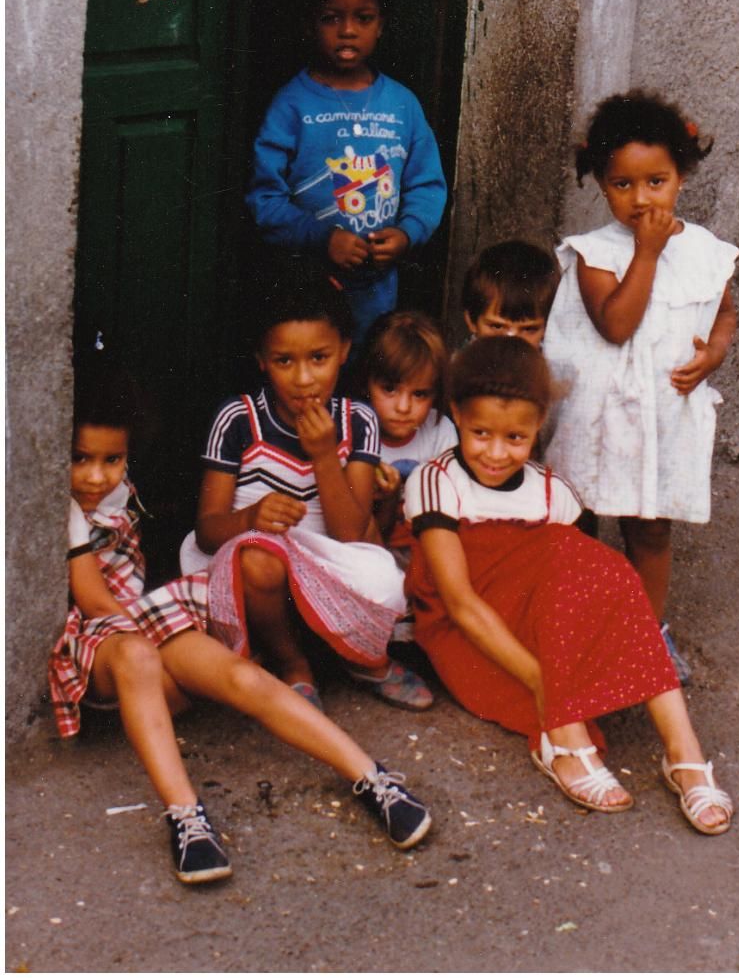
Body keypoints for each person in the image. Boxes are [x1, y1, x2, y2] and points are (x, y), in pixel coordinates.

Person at [56, 361, 432, 884]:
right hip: (102, 646)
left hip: (138, 625)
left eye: (111, 460)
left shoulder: (121, 492)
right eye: (80, 460)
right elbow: (96, 602)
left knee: (239, 676)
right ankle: (187, 816)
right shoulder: (64, 507)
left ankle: (371, 777)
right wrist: (166, 633)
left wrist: (181, 641)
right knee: (143, 653)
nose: (96, 476)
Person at [404, 337, 731, 831]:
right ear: (455, 415)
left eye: (514, 438)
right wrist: (544, 685)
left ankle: (683, 752)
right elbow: (459, 603)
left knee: (610, 571)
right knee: (561, 559)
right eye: (480, 433)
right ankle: (564, 735)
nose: (495, 453)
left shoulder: (552, 491)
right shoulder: (436, 482)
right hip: (474, 633)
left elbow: (582, 583)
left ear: (538, 426)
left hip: (543, 621)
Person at [186, 272, 433, 711]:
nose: (304, 379)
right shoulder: (238, 419)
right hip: (251, 567)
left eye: (319, 358)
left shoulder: (358, 419)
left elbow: (350, 536)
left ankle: (363, 659)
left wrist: (323, 455)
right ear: (262, 359)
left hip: (328, 559)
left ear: (343, 352)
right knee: (260, 559)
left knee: (381, 576)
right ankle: (293, 664)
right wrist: (248, 520)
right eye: (285, 362)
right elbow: (207, 531)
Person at [542, 93, 737, 636]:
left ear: (681, 177)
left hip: (661, 419)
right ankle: (576, 631)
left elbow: (725, 313)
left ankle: (646, 639)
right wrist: (646, 255)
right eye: (622, 185)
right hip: (597, 418)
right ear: (602, 186)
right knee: (579, 521)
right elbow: (617, 324)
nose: (641, 198)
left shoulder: (705, 250)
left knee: (650, 529)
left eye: (657, 181)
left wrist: (715, 352)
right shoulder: (594, 254)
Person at [243, 0, 447, 341]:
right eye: (331, 18)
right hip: (305, 292)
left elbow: (427, 185)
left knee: (371, 382)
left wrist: (407, 234)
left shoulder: (402, 105)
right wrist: (321, 238)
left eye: (363, 18)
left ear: (381, 24)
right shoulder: (292, 105)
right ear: (309, 24)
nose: (348, 30)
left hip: (379, 296)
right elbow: (265, 198)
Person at [360, 310, 457, 547]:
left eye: (420, 394)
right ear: (367, 382)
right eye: (389, 389)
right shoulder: (355, 429)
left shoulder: (440, 432)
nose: (403, 407)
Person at [462, 239, 561, 345]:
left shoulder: (558, 360)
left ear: (548, 328)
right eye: (497, 326)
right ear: (471, 322)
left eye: (528, 329)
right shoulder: (459, 361)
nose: (511, 343)